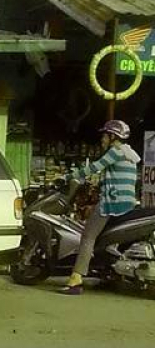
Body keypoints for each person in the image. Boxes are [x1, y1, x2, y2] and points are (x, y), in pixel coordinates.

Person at [60, 119, 141, 295]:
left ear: (113, 136)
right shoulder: (130, 154)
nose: (102, 139)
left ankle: (76, 279)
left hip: (112, 203)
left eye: (105, 135)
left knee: (88, 237)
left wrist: (67, 177)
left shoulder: (115, 151)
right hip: (128, 203)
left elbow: (94, 168)